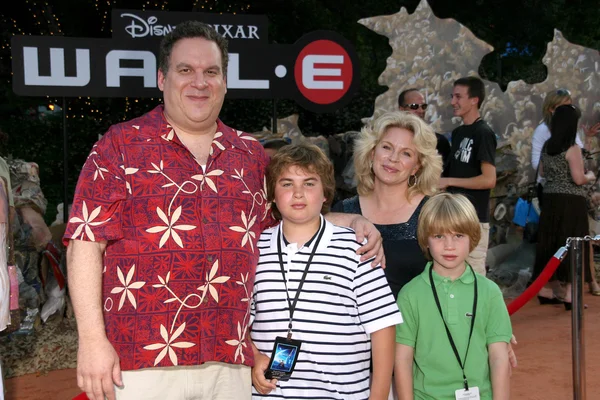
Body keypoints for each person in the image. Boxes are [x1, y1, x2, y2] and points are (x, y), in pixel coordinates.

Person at [63, 21, 383, 400]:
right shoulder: (120, 146)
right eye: (186, 70)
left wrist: (351, 219)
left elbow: (282, 221)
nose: (200, 81)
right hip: (141, 359)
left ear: (225, 82)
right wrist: (92, 340)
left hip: (230, 363)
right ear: (162, 77)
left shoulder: (249, 156)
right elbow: (85, 241)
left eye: (210, 71)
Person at [250, 143, 402, 399]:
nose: (298, 193)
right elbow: (239, 321)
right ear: (272, 194)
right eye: (287, 184)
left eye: (309, 183)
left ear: (325, 194)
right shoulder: (255, 247)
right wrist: (254, 357)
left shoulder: (356, 248)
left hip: (341, 393)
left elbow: (383, 329)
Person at [395, 192, 512, 400]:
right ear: (426, 240)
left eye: (458, 235)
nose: (449, 245)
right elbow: (402, 359)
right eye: (439, 236)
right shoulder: (410, 295)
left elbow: (499, 358)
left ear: (472, 238)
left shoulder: (490, 292)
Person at [332, 111, 443, 300]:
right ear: (372, 152)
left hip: (413, 327)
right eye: (387, 147)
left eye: (406, 153)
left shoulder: (432, 214)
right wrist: (352, 219)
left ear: (416, 167)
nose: (393, 158)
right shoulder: (343, 210)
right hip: (351, 326)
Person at [532, 105, 598, 310]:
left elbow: (542, 172)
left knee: (551, 243)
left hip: (551, 201)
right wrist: (591, 176)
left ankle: (545, 290)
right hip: (571, 203)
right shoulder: (572, 148)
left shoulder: (547, 147)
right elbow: (578, 179)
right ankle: (570, 294)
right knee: (573, 244)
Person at [440, 76, 497, 276]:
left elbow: (489, 179)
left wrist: (448, 181)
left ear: (474, 100)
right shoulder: (457, 133)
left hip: (474, 219)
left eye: (458, 97)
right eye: (452, 96)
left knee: (474, 278)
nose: (453, 102)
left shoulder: (483, 133)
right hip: (452, 218)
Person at [398, 88, 451, 164]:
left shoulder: (438, 142)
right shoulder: (389, 137)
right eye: (414, 106)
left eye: (423, 106)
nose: (421, 111)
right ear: (402, 109)